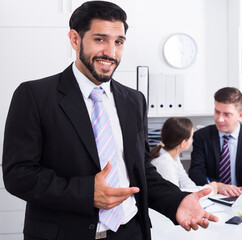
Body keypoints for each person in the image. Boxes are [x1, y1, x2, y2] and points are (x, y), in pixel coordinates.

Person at [2, 2, 218, 240]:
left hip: (130, 232)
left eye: (119, 42)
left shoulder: (133, 100)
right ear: (75, 39)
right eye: (100, 39)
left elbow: (142, 171)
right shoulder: (35, 96)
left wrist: (177, 201)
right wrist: (86, 193)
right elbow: (18, 174)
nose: (111, 52)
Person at [150, 117, 218, 193]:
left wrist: (204, 189)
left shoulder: (173, 155)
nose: (192, 141)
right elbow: (174, 194)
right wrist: (208, 189)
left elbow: (185, 181)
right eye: (191, 137)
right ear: (183, 143)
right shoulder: (164, 163)